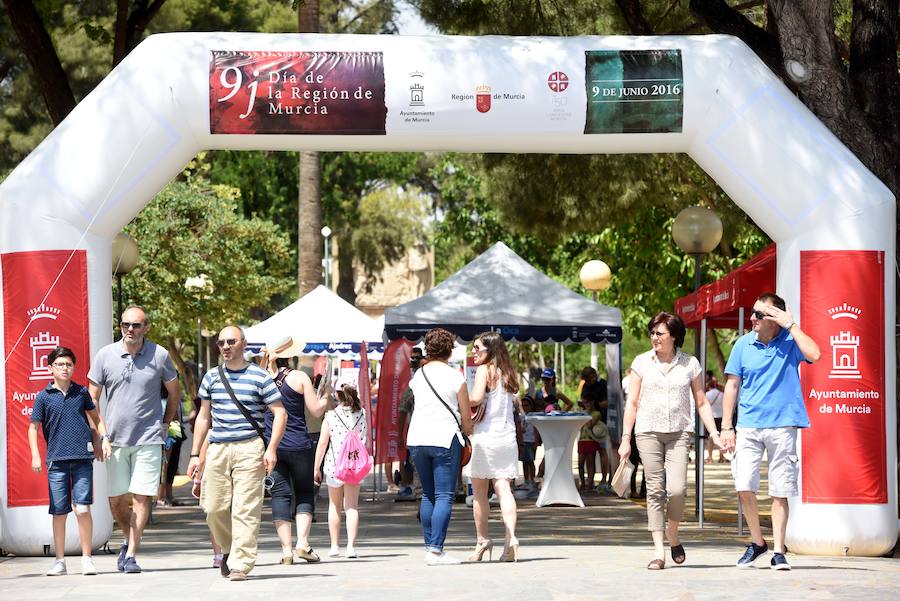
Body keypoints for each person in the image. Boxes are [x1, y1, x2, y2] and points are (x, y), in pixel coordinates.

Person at [721, 293, 820, 571]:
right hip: (748, 426)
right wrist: (727, 426)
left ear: (775, 319)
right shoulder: (742, 344)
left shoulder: (791, 342)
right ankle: (757, 542)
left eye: (759, 314)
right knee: (744, 486)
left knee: (780, 491)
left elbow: (815, 354)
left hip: (783, 425)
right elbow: (731, 386)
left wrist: (792, 325)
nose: (752, 318)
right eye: (753, 312)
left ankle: (778, 551)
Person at [618, 312, 723, 570]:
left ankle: (673, 534)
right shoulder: (641, 363)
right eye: (652, 333)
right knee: (654, 490)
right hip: (647, 431)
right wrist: (625, 438)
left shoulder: (690, 364)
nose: (654, 337)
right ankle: (658, 552)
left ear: (674, 336)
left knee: (677, 490)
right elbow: (632, 403)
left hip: (679, 432)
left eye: (659, 333)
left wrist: (715, 434)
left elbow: (701, 402)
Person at [187, 326, 287, 581]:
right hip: (219, 448)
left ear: (244, 343)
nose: (226, 346)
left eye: (231, 341)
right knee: (212, 507)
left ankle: (240, 564)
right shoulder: (211, 377)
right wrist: (195, 454)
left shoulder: (259, 377)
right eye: (221, 343)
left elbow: (280, 413)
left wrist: (272, 448)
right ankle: (230, 550)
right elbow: (203, 417)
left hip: (250, 448)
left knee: (245, 508)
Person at [87, 305, 181, 574]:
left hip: (149, 438)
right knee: (116, 500)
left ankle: (131, 555)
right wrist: (100, 434)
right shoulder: (105, 355)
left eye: (136, 325)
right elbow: (91, 399)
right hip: (114, 440)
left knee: (141, 497)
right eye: (126, 324)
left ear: (146, 328)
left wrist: (166, 424)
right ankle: (129, 541)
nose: (131, 329)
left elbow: (174, 392)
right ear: (120, 328)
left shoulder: (160, 355)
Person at [29, 346, 112, 576]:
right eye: (60, 364)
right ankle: (60, 561)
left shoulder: (81, 392)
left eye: (69, 364)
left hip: (82, 459)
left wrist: (104, 440)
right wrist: (36, 455)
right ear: (50, 369)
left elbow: (97, 418)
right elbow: (33, 428)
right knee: (59, 512)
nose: (65, 368)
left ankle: (87, 559)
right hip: (56, 461)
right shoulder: (43, 397)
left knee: (83, 508)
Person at [406, 328, 473, 565]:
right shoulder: (456, 377)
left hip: (416, 438)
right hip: (445, 438)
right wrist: (469, 431)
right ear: (450, 349)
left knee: (428, 494)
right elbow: (466, 416)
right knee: (445, 494)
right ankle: (436, 550)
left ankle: (430, 546)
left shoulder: (418, 376)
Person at [261, 340, 328, 565]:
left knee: (279, 495)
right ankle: (303, 543)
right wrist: (326, 395)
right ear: (291, 356)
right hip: (300, 444)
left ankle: (287, 551)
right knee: (304, 493)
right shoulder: (300, 378)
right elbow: (316, 411)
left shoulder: (262, 378)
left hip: (274, 447)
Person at [467, 331, 521, 562]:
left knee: (479, 492)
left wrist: (460, 399)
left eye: (478, 348)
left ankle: (482, 541)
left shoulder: (483, 370)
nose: (474, 352)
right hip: (507, 436)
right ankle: (510, 539)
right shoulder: (508, 372)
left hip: (485, 437)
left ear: (490, 350)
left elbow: (476, 398)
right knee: (504, 489)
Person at [314, 378, 368, 559]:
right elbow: (365, 439)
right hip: (355, 466)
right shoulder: (363, 414)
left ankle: (335, 546)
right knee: (352, 507)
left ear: (337, 395)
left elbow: (322, 444)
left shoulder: (330, 416)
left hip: (334, 465)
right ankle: (351, 547)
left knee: (334, 506)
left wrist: (316, 468)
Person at [396, 346, 424, 498]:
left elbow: (402, 410)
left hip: (427, 435)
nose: (413, 361)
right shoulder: (410, 384)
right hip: (418, 434)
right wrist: (400, 436)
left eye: (417, 358)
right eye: (411, 358)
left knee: (423, 481)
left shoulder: (416, 382)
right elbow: (402, 410)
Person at [580, 366, 611, 492]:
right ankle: (589, 481)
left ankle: (604, 479)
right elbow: (583, 399)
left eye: (590, 379)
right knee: (589, 456)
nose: (589, 382)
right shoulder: (585, 387)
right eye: (586, 380)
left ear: (594, 375)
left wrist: (595, 404)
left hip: (601, 421)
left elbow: (609, 402)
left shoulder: (603, 384)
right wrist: (584, 404)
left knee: (602, 451)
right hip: (588, 420)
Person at [576, 394, 604, 492]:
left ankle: (589, 483)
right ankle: (583, 483)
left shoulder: (596, 413)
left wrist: (586, 413)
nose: (585, 404)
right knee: (580, 463)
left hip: (591, 440)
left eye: (587, 402)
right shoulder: (583, 413)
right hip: (581, 440)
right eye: (584, 402)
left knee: (590, 463)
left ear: (592, 402)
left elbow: (589, 425)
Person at [704, 371, 726, 463]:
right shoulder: (722, 394)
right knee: (721, 437)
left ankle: (710, 457)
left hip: (712, 417)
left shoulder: (708, 394)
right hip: (721, 417)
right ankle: (721, 456)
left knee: (711, 438)